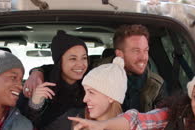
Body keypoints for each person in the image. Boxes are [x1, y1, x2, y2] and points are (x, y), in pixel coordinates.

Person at [23, 24, 165, 113]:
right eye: (136, 51)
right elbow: (61, 69)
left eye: (146, 50)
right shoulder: (97, 70)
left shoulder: (156, 84)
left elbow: (162, 120)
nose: (143, 57)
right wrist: (37, 72)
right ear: (119, 54)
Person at [16, 30, 88, 129]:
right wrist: (35, 103)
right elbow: (24, 125)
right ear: (59, 62)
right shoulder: (41, 83)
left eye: (84, 58)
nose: (81, 64)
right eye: (73, 59)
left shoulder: (91, 81)